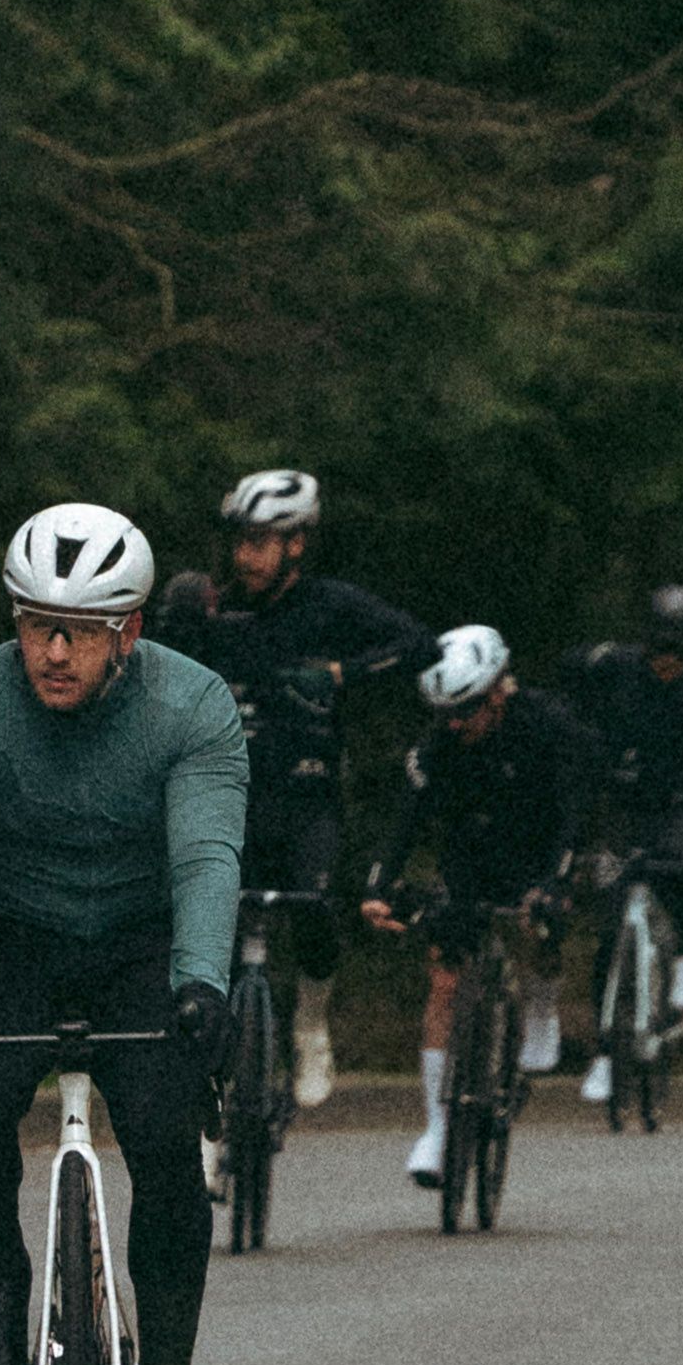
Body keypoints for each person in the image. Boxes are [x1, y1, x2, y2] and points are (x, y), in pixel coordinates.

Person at [0, 503, 242, 1365]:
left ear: (128, 632)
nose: (52, 652)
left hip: (142, 944)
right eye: (33, 625)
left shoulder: (193, 707)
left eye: (80, 632)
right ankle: (3, 1269)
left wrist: (202, 984)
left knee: (163, 1129)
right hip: (10, 941)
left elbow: (206, 858)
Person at [167, 469, 430, 1120]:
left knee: (314, 910)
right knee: (209, 949)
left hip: (305, 794)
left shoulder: (329, 605)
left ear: (296, 543)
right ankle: (209, 1100)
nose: (246, 557)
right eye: (240, 542)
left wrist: (344, 672)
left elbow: (420, 646)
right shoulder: (211, 605)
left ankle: (310, 1023)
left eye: (262, 542)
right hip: (224, 801)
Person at [363, 626, 601, 1189]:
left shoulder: (549, 727)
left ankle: (541, 1006)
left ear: (497, 690)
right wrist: (378, 887)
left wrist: (556, 882)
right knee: (445, 981)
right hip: (471, 857)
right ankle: (437, 1129)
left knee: (541, 925)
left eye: (465, 709)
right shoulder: (438, 742)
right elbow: (406, 820)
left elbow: (576, 811)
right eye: (443, 712)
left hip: (541, 850)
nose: (454, 724)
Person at [566, 582, 683, 1100]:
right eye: (660, 653)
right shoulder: (619, 668)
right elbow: (570, 673)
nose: (666, 664)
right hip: (622, 805)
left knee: (677, 867)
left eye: (679, 655)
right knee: (610, 935)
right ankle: (607, 1053)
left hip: (680, 806)